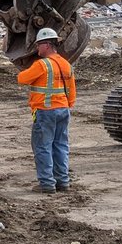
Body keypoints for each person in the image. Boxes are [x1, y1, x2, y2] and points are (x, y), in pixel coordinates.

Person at [17, 27, 76, 194]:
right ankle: (62, 181)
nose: (37, 48)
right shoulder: (66, 64)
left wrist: (27, 66)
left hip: (46, 111)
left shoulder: (42, 65)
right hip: (63, 110)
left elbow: (22, 79)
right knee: (61, 146)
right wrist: (67, 105)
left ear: (47, 45)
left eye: (39, 45)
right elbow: (72, 91)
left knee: (43, 147)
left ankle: (47, 184)